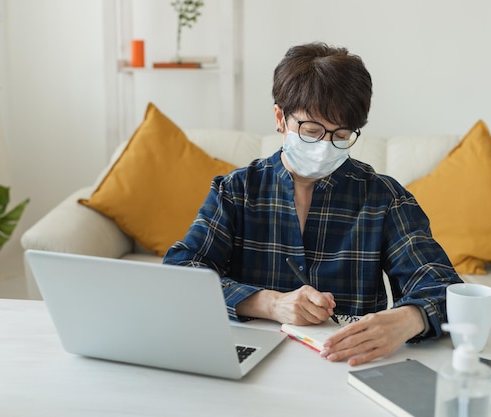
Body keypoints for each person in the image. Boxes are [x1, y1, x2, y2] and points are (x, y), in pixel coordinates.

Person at [163, 42, 462, 366]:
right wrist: (269, 303)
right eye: (311, 130)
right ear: (280, 118)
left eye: (340, 135)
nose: (324, 146)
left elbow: (443, 285)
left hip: (348, 366)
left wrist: (408, 319)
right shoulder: (237, 191)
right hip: (247, 362)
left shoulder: (383, 199)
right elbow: (181, 273)